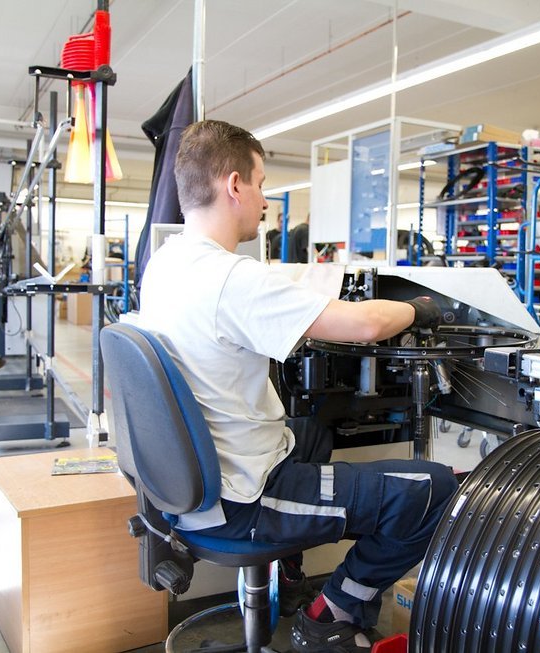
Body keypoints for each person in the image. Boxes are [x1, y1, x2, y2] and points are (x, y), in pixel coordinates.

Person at [137, 120, 458, 652]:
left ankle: (286, 576)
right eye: (261, 183)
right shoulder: (230, 278)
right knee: (432, 489)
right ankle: (331, 612)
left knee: (309, 431)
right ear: (234, 184)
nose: (264, 200)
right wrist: (425, 308)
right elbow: (364, 326)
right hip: (245, 500)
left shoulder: (166, 263)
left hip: (190, 487)